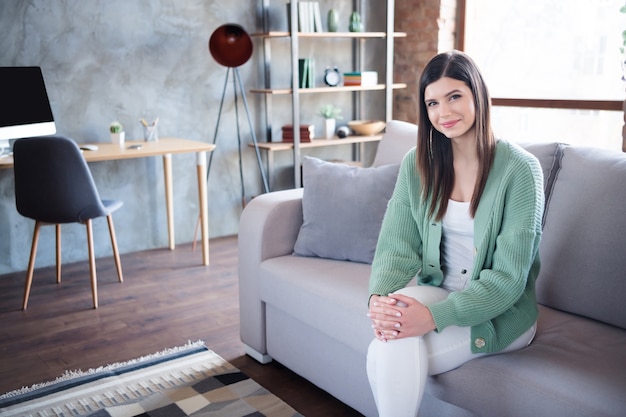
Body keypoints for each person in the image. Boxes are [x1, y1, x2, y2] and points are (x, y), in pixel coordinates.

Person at [366, 50, 545, 416]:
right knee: (391, 332)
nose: (443, 113)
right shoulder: (417, 165)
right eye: (432, 102)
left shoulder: (521, 171)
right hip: (437, 290)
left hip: (499, 314)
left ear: (477, 94)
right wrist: (379, 299)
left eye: (454, 97)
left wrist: (433, 317)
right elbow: (395, 247)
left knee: (388, 349)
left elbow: (509, 280)